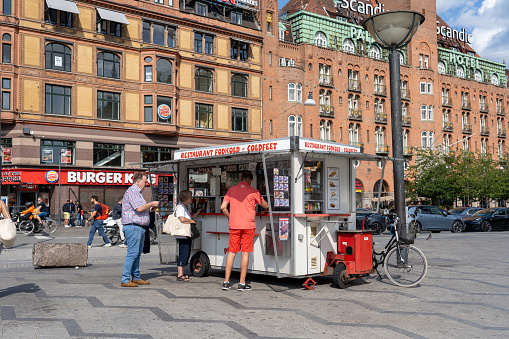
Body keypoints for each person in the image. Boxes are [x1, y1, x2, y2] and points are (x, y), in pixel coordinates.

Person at [220, 171, 268, 291]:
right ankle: (242, 284)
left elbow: (223, 207)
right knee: (245, 253)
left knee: (231, 252)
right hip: (248, 226)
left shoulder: (231, 189)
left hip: (234, 225)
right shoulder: (254, 192)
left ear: (241, 178)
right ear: (251, 180)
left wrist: (231, 217)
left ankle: (226, 282)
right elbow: (265, 205)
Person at [120, 172, 159, 287]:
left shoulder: (138, 193)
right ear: (138, 181)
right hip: (133, 226)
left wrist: (150, 208)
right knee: (132, 253)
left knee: (137, 253)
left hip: (139, 227)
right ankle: (125, 279)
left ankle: (136, 276)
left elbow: (141, 209)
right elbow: (139, 208)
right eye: (145, 181)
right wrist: (151, 203)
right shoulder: (132, 191)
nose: (146, 184)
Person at [175, 190, 201, 282]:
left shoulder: (184, 207)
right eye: (190, 197)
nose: (192, 198)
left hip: (185, 234)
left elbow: (189, 217)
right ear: (186, 198)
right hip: (182, 234)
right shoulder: (180, 207)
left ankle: (182, 273)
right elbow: (182, 219)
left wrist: (197, 212)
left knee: (185, 253)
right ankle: (180, 274)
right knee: (183, 253)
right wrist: (192, 222)